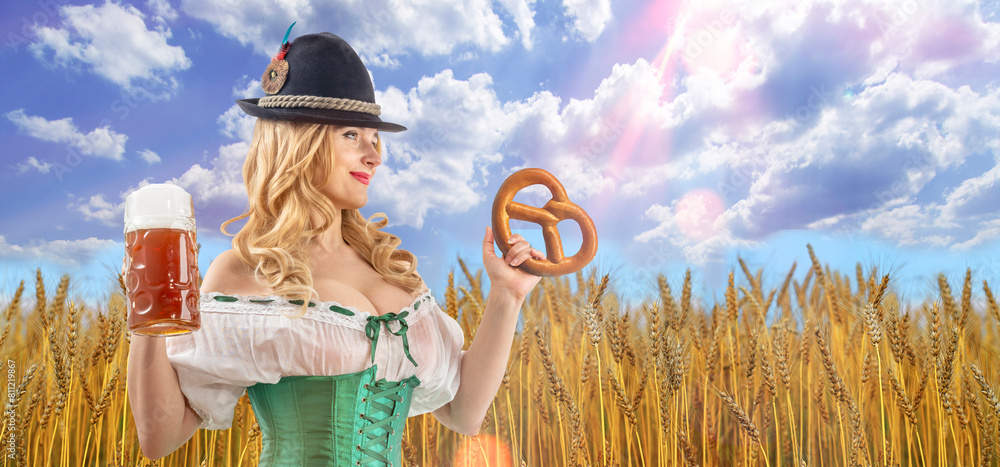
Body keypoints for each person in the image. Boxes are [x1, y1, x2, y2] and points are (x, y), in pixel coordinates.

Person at [126, 29, 543, 465]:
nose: (374, 155)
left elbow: (463, 412)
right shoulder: (243, 272)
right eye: (351, 135)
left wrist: (507, 294)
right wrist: (147, 310)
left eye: (374, 138)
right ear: (298, 143)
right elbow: (161, 437)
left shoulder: (391, 268)